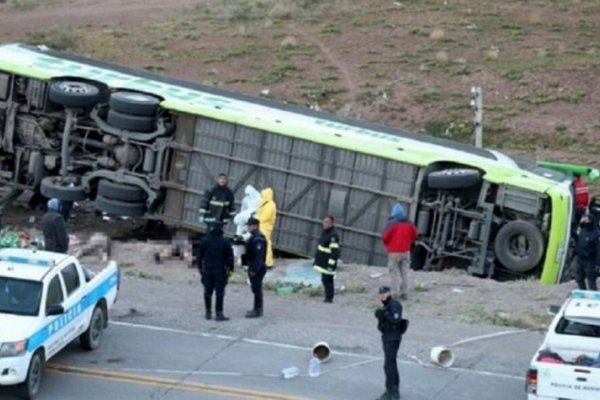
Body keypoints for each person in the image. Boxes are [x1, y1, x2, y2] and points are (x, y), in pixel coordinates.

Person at [197, 221, 234, 321]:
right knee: (220, 293)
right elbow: (230, 258)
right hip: (220, 270)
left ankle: (208, 312)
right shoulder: (225, 242)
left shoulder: (205, 240)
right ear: (221, 228)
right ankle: (219, 313)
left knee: (207, 292)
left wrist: (200, 268)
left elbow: (199, 256)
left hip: (207, 269)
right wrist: (231, 269)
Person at [382, 203, 418, 300]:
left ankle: (394, 294)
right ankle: (404, 293)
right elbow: (416, 235)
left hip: (394, 252)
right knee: (405, 272)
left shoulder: (391, 223)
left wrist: (388, 245)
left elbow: (384, 237)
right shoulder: (409, 223)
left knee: (394, 272)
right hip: (406, 251)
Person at [374, 285, 404, 400]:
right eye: (380, 294)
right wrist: (379, 316)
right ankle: (391, 390)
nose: (382, 296)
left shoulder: (394, 304)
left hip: (393, 337)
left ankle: (392, 391)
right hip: (387, 336)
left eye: (384, 294)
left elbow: (396, 320)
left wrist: (384, 314)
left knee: (390, 365)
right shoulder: (386, 305)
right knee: (389, 365)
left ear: (389, 294)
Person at [313, 215, 341, 303]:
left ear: (332, 223)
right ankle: (327, 296)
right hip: (323, 261)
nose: (325, 224)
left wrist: (331, 264)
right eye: (324, 222)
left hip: (327, 262)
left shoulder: (333, 235)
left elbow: (334, 252)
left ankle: (329, 298)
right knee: (324, 279)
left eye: (327, 222)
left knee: (328, 279)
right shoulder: (325, 232)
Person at [244, 217, 267, 318]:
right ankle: (257, 309)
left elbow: (258, 257)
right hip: (254, 266)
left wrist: (254, 270)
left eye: (249, 226)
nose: (248, 227)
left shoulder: (258, 239)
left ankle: (257, 310)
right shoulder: (253, 237)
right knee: (256, 288)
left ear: (255, 226)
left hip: (257, 267)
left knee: (257, 289)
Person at [574, 214, 600, 291]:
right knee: (578, 279)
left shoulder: (596, 234)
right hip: (580, 259)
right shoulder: (582, 229)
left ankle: (595, 299)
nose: (584, 221)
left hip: (590, 262)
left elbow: (599, 250)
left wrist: (598, 264)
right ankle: (583, 293)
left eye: (586, 219)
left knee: (591, 282)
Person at [256, 187, 277, 268]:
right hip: (262, 226)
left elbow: (266, 217)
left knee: (266, 244)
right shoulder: (265, 203)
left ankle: (268, 262)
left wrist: (257, 218)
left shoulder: (270, 205)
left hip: (265, 227)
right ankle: (263, 261)